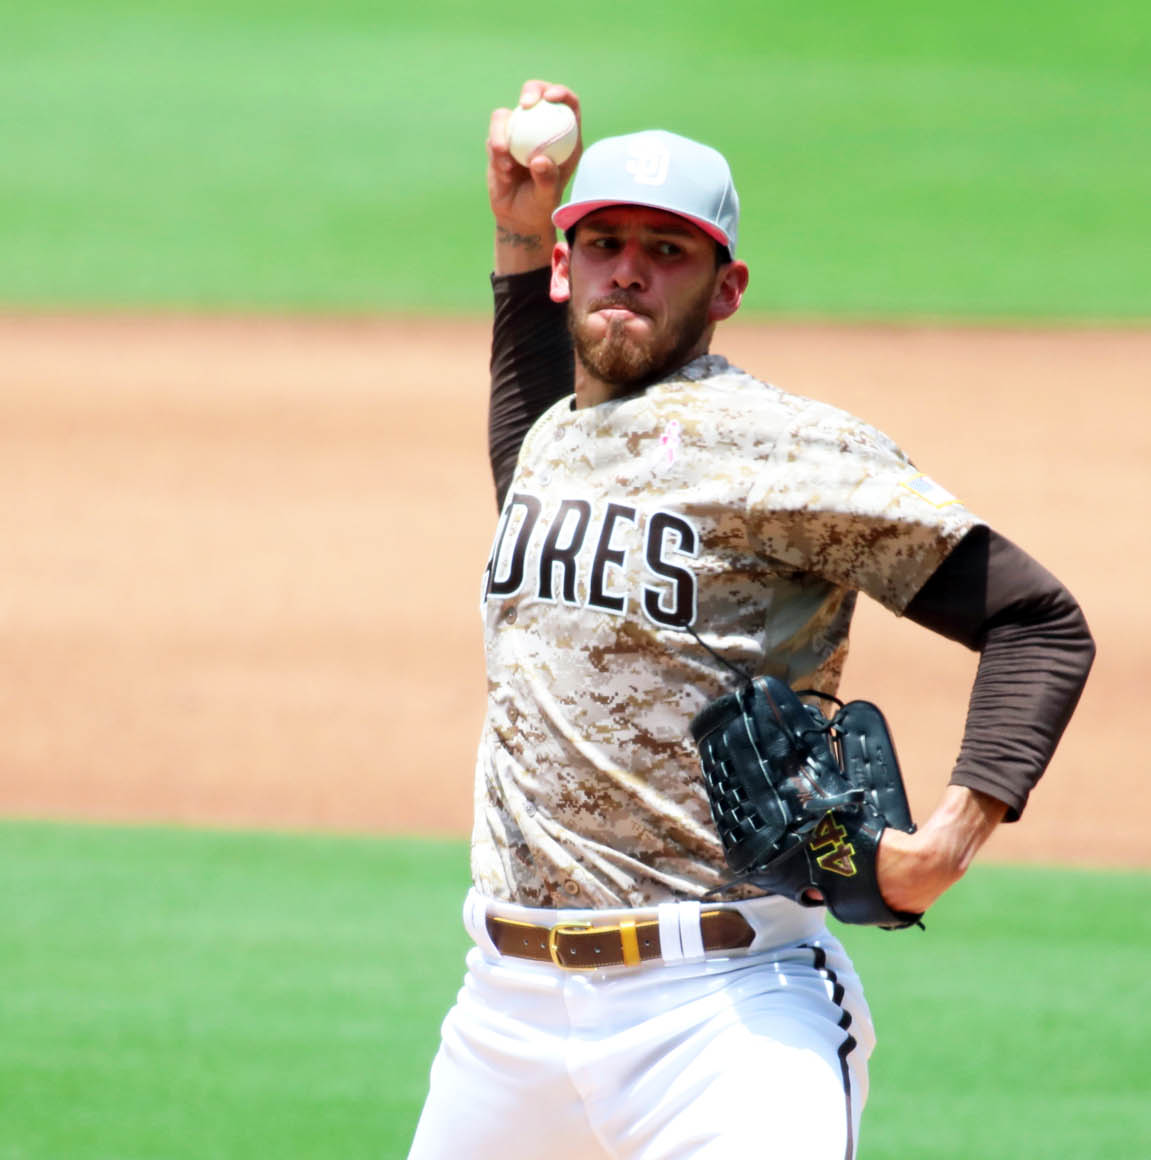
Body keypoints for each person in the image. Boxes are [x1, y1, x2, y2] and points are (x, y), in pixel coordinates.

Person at [405, 79, 1095, 1160]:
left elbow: (1037, 621)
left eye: (668, 250)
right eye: (604, 242)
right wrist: (513, 225)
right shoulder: (553, 441)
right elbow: (530, 454)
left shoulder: (780, 448)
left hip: (719, 1010)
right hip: (503, 1016)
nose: (628, 266)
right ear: (562, 267)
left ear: (724, 288)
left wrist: (944, 847)